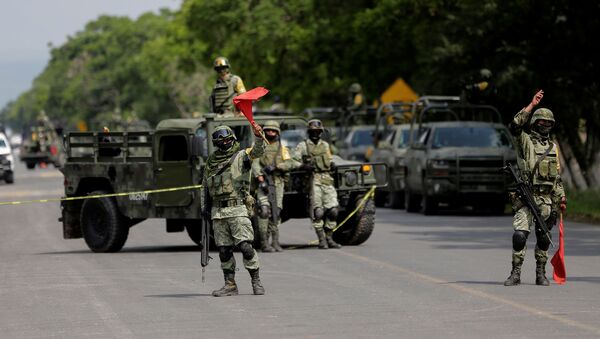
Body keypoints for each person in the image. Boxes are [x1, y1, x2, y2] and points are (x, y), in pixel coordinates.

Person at [504, 89, 567, 286]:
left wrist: (561, 200)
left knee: (544, 238)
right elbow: (514, 126)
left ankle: (541, 272)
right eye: (542, 122)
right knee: (520, 235)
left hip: (546, 200)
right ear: (534, 123)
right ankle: (516, 272)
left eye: (549, 123)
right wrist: (531, 106)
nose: (545, 125)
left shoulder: (554, 147)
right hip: (526, 197)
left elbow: (556, 178)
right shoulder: (525, 141)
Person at [202, 123, 266, 296]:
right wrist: (204, 208)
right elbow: (205, 187)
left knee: (245, 247)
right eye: (221, 140)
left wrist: (258, 136)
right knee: (224, 251)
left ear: (233, 139)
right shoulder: (211, 161)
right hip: (218, 212)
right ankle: (230, 285)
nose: (225, 142)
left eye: (227, 139)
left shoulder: (242, 156)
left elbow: (258, 151)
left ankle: (256, 280)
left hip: (237, 209)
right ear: (216, 142)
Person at [293, 119, 342, 249]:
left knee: (333, 211)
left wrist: (331, 164)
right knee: (318, 212)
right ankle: (321, 239)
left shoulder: (325, 145)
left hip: (326, 179)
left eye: (318, 131)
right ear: (309, 132)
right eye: (313, 131)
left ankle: (329, 237)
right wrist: (303, 166)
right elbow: (293, 161)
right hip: (312, 180)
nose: (315, 134)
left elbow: (330, 158)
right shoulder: (303, 146)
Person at [252, 120, 294, 252]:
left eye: (274, 130)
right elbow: (255, 163)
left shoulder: (283, 148)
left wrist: (277, 166)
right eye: (268, 130)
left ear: (278, 132)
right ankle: (264, 242)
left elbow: (290, 163)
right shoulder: (258, 145)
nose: (271, 133)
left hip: (278, 183)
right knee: (264, 211)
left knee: (276, 212)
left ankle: (275, 241)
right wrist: (260, 179)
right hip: (263, 182)